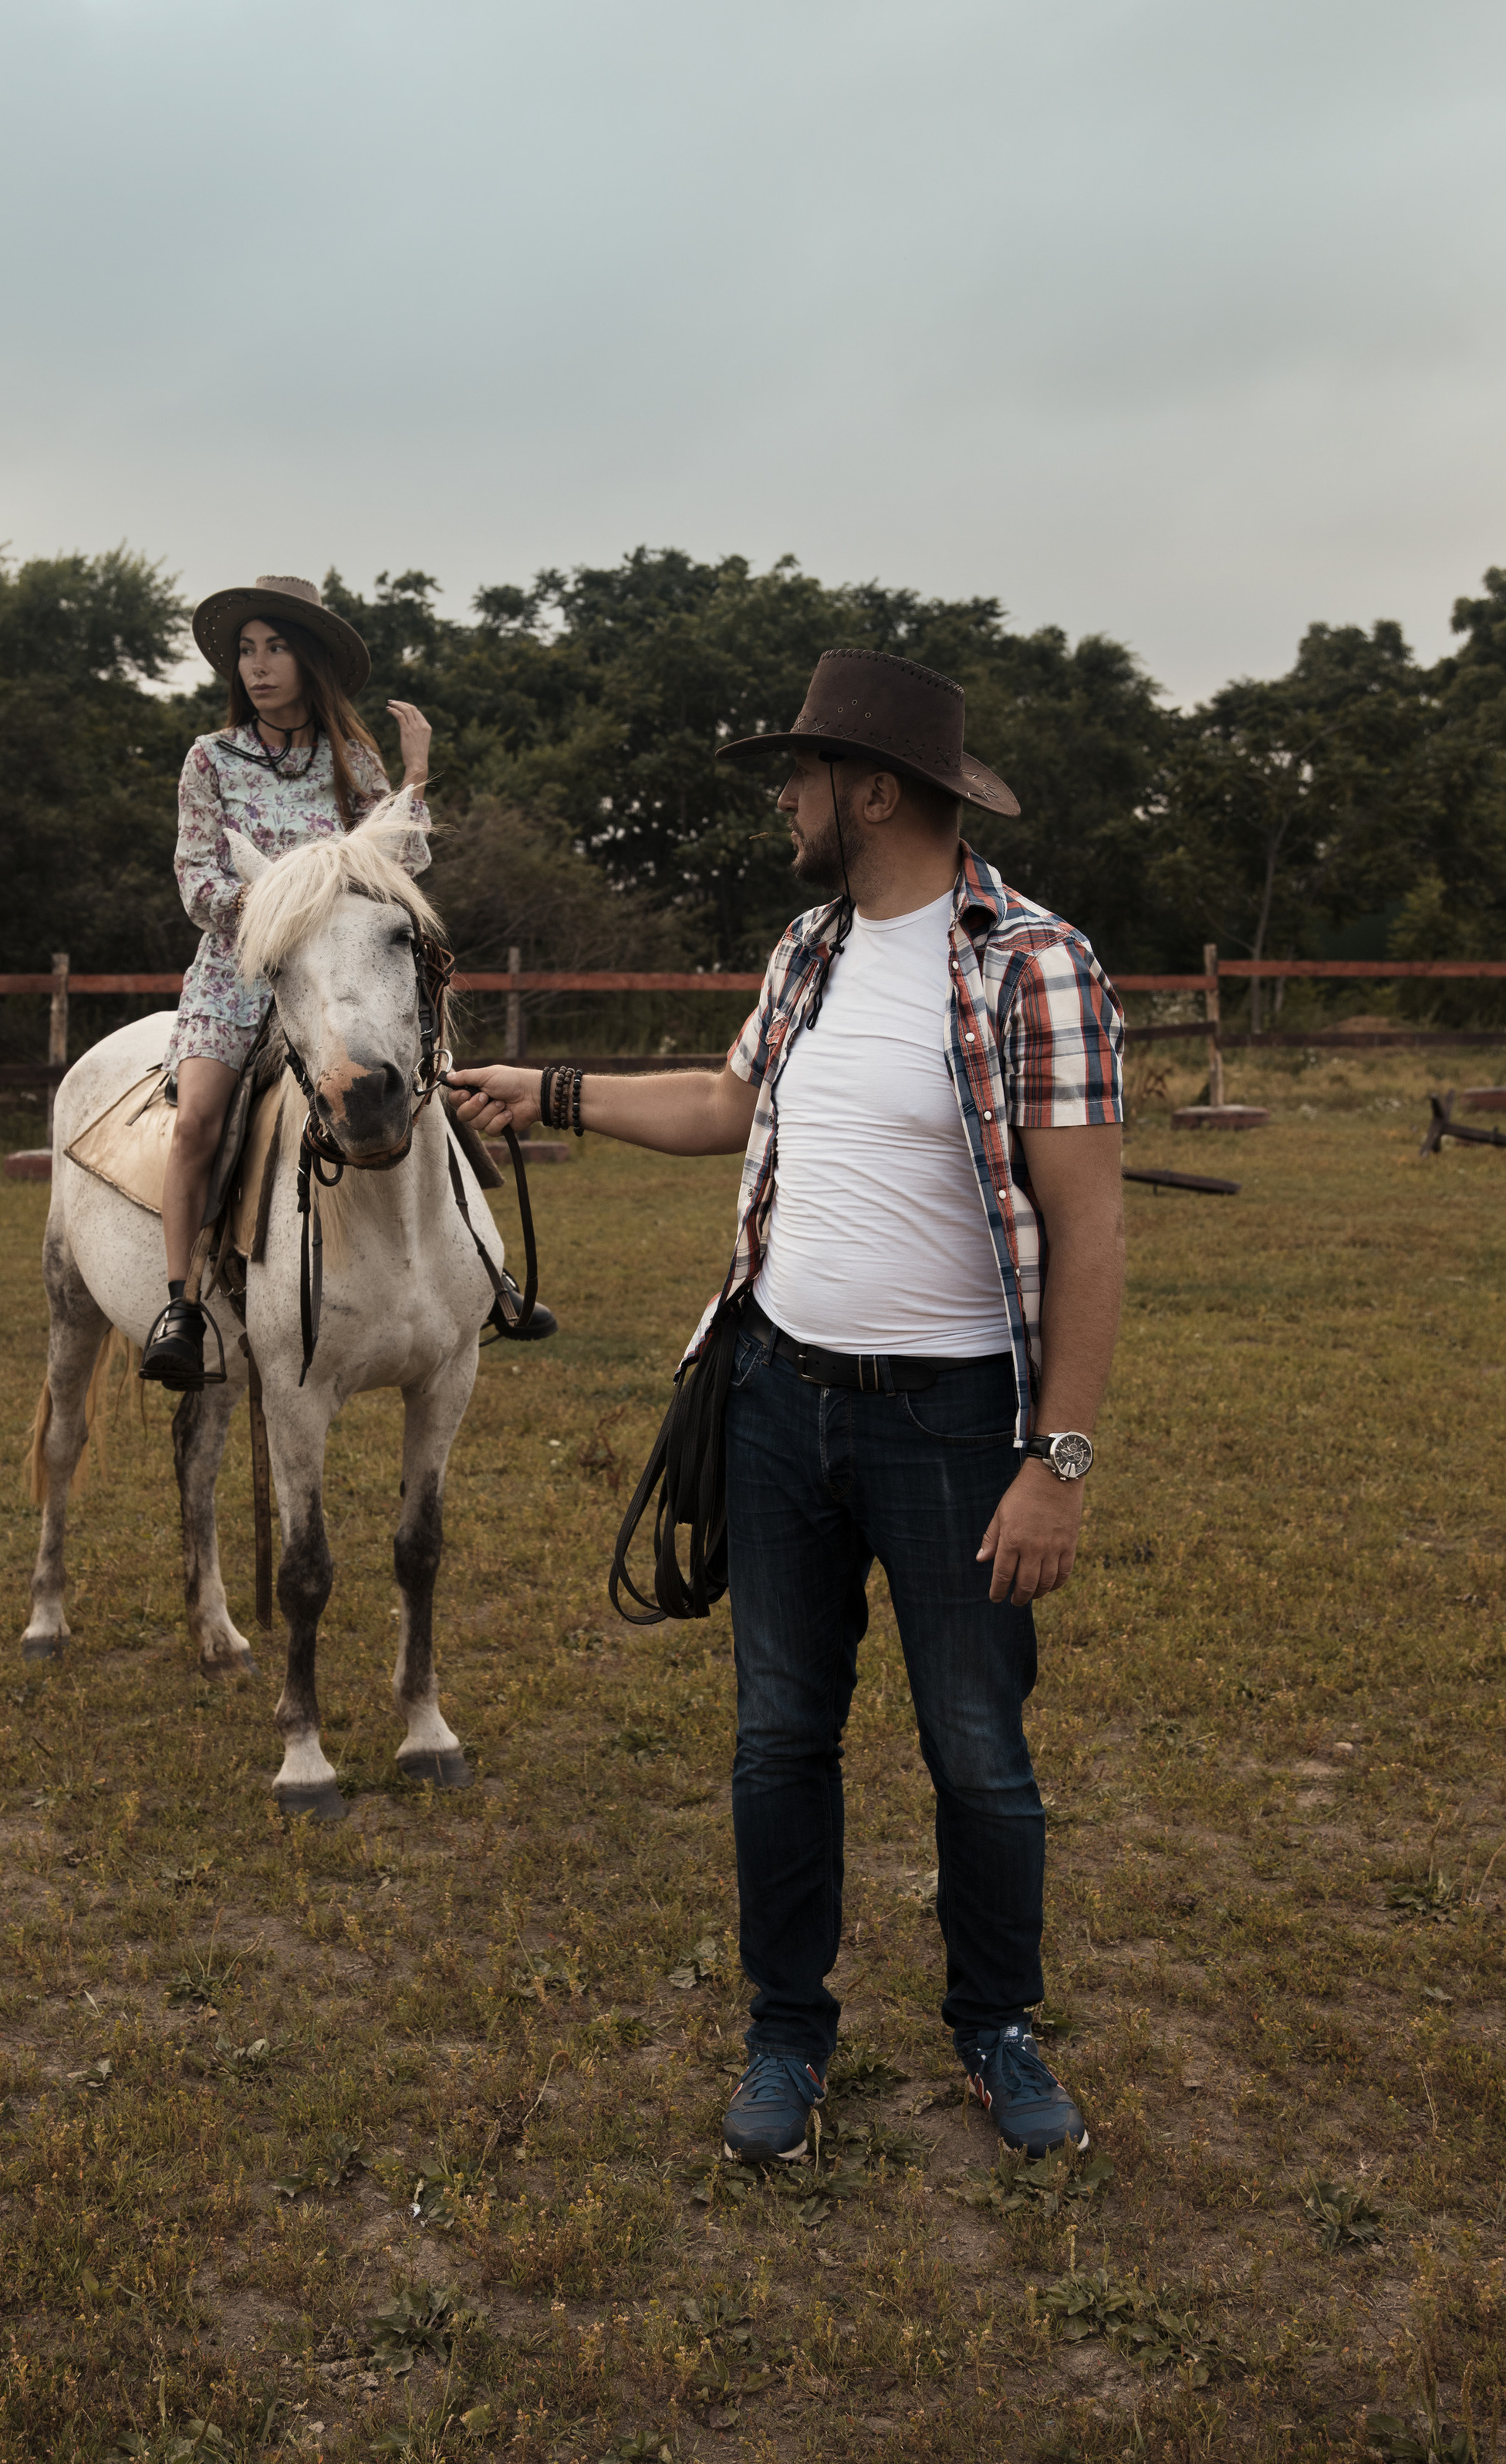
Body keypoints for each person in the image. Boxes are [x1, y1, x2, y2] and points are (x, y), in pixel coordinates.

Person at [450, 650, 1126, 2164]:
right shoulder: (807, 951)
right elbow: (726, 1102)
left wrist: (1057, 1461)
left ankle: (995, 2027)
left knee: (977, 1751)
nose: (783, 801)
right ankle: (784, 2036)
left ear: (872, 793)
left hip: (957, 1426)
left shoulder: (1035, 966)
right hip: (772, 1397)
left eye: (799, 776)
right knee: (777, 1740)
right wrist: (551, 1091)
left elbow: (1089, 1226)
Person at [140, 576, 432, 1390]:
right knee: (198, 1121)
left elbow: (400, 865)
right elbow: (197, 883)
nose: (258, 666)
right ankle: (180, 1305)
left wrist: (414, 774)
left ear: (309, 659)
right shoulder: (209, 758)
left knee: (424, 1077)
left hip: (337, 973)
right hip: (240, 970)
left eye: (275, 648)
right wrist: (279, 903)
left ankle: (477, 1264)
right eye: (246, 650)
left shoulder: (354, 761)